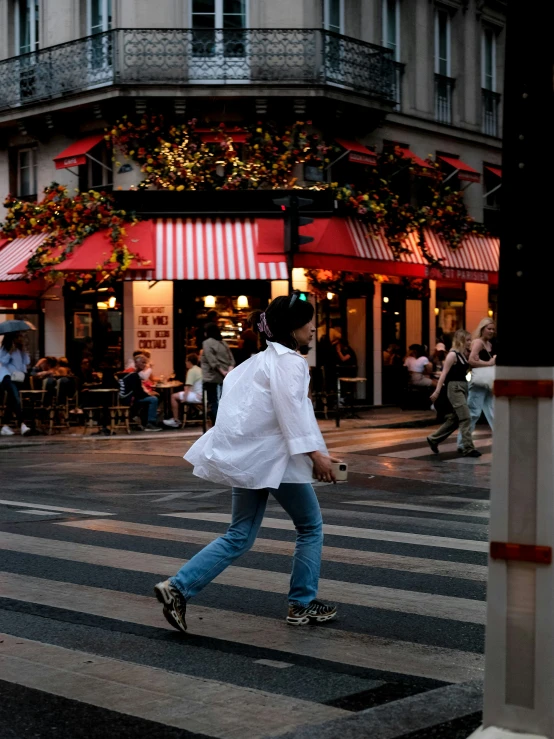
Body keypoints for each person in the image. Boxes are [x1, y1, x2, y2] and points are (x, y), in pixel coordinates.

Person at [154, 292, 340, 632]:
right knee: (310, 528)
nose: (313, 328)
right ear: (293, 327)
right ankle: (301, 603)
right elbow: (292, 414)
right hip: (280, 461)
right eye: (308, 322)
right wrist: (316, 456)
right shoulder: (290, 363)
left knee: (239, 534)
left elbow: (237, 415)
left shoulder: (251, 364)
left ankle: (178, 588)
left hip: (251, 461)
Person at [427, 330, 481, 458]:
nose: (470, 342)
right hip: (455, 388)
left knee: (455, 418)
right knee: (466, 417)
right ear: (460, 340)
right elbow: (444, 374)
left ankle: (433, 439)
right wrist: (437, 391)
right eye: (467, 340)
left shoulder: (463, 355)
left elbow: (466, 371)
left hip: (463, 387)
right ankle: (468, 448)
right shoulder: (452, 355)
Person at [201, 322, 235, 424]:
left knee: (214, 402)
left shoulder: (207, 343)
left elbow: (212, 361)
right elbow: (231, 360)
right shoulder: (223, 343)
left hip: (212, 377)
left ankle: (218, 425)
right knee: (224, 401)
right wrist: (229, 371)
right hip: (226, 378)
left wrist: (222, 372)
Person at [467, 318, 496, 433]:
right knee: (474, 412)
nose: (491, 331)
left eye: (493, 329)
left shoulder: (489, 343)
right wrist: (489, 363)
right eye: (489, 329)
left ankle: (501, 436)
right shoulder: (478, 342)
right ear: (482, 329)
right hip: (478, 382)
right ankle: (464, 442)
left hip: (487, 381)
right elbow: (471, 361)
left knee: (492, 410)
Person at [118, 354, 161, 431]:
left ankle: (144, 420)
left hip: (128, 397)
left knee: (151, 398)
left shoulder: (134, 373)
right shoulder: (133, 374)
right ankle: (150, 423)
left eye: (145, 363)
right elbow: (138, 392)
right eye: (143, 362)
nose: (145, 365)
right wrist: (149, 394)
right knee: (153, 399)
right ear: (136, 363)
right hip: (129, 399)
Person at [0, 332, 31, 436]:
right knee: (16, 398)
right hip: (7, 376)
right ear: (13, 338)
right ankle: (22, 424)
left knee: (12, 401)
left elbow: (26, 362)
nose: (21, 339)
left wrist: (24, 350)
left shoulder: (20, 350)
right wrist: (10, 352)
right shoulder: (5, 349)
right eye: (19, 337)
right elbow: (3, 361)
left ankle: (5, 425)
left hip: (17, 378)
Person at [163, 354, 203, 428]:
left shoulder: (191, 371)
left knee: (173, 396)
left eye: (186, 361)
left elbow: (187, 386)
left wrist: (184, 398)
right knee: (178, 395)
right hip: (202, 395)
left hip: (197, 396)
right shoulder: (199, 369)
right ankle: (180, 417)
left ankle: (175, 420)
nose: (185, 363)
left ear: (189, 362)